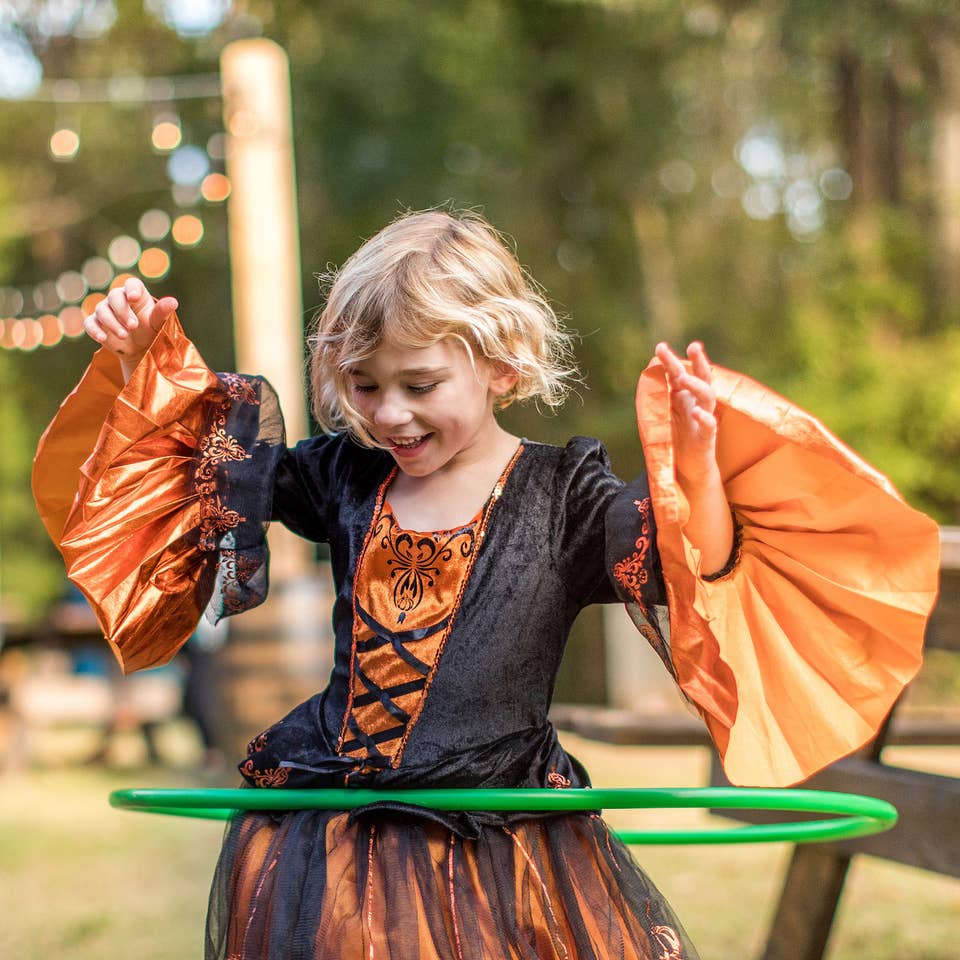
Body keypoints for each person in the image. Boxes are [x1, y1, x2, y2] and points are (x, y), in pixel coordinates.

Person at [33, 210, 939, 960]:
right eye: (364, 384)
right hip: (342, 835)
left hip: (502, 841)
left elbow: (689, 563)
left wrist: (698, 469)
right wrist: (148, 359)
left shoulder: (565, 496)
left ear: (502, 364)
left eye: (419, 383)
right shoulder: (348, 474)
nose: (389, 411)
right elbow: (209, 469)